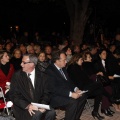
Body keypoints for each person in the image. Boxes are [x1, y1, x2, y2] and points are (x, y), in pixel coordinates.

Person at [9, 54, 55, 120]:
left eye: (24, 63)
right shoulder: (17, 76)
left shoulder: (43, 76)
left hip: (39, 104)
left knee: (51, 112)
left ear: (32, 64)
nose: (21, 64)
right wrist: (28, 106)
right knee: (36, 114)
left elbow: (47, 93)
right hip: (23, 107)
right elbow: (14, 95)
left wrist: (42, 105)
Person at [45, 51, 87, 120]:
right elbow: (54, 89)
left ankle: (74, 118)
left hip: (64, 92)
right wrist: (71, 94)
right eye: (64, 60)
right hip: (55, 96)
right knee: (73, 101)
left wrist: (76, 89)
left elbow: (69, 81)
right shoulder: (50, 71)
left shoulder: (63, 67)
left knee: (83, 96)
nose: (66, 62)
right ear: (57, 61)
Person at [67, 53, 104, 120]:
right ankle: (111, 98)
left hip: (86, 87)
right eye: (81, 59)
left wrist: (91, 84)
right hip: (80, 89)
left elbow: (86, 79)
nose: (82, 61)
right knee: (99, 85)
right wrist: (91, 84)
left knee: (99, 91)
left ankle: (95, 112)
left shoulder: (79, 67)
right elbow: (78, 82)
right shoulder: (72, 68)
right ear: (76, 60)